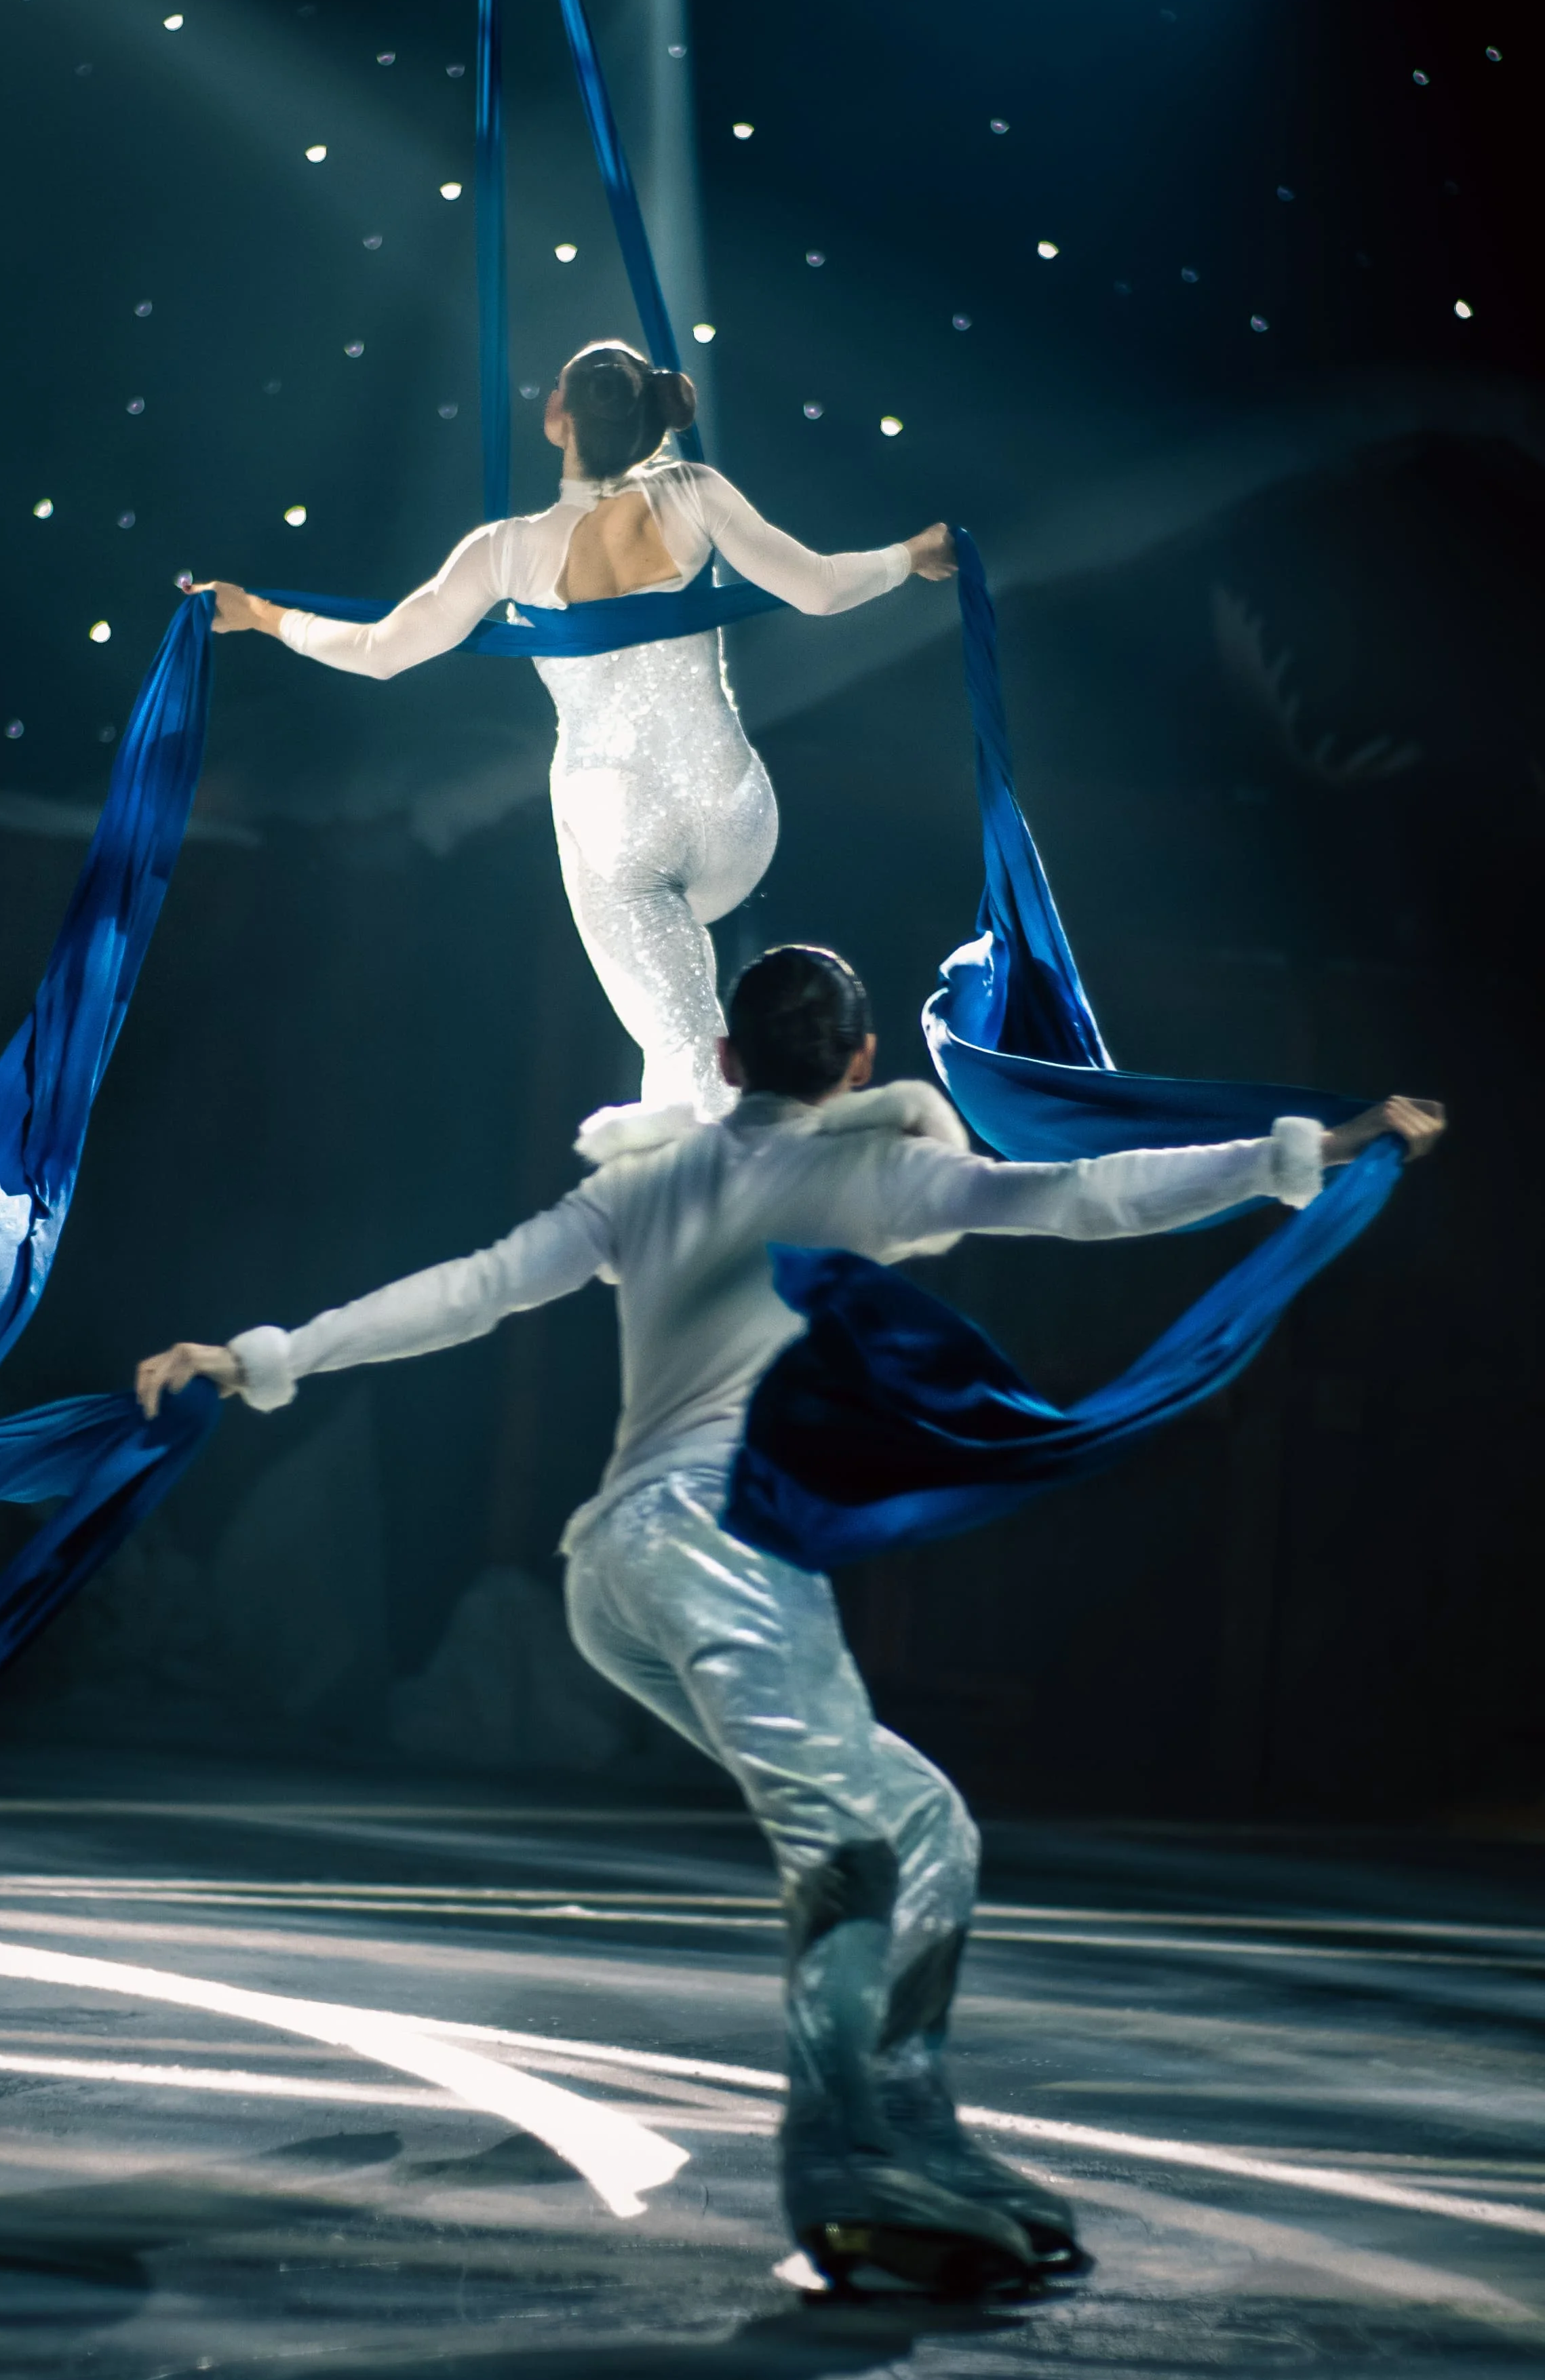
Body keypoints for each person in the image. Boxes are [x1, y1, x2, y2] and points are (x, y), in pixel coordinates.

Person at [136, 945, 1445, 2299]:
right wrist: (1313, 1150)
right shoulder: (869, 1171)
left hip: (615, 1576)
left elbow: (471, 1288)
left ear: (724, 1063)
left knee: (920, 1820)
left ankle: (908, 2125)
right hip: (713, 1548)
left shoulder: (643, 1181)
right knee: (849, 1841)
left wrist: (262, 1356)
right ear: (862, 1063)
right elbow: (1077, 1196)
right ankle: (840, 2162)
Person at [197, 340, 955, 1117]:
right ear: (656, 417)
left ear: (556, 417)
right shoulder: (694, 492)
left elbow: (378, 652)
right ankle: (720, 1163)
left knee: (684, 1053)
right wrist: (911, 555)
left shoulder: (505, 551)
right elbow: (822, 589)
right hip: (738, 816)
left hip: (625, 836)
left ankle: (726, 1187)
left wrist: (257, 615)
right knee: (680, 1043)